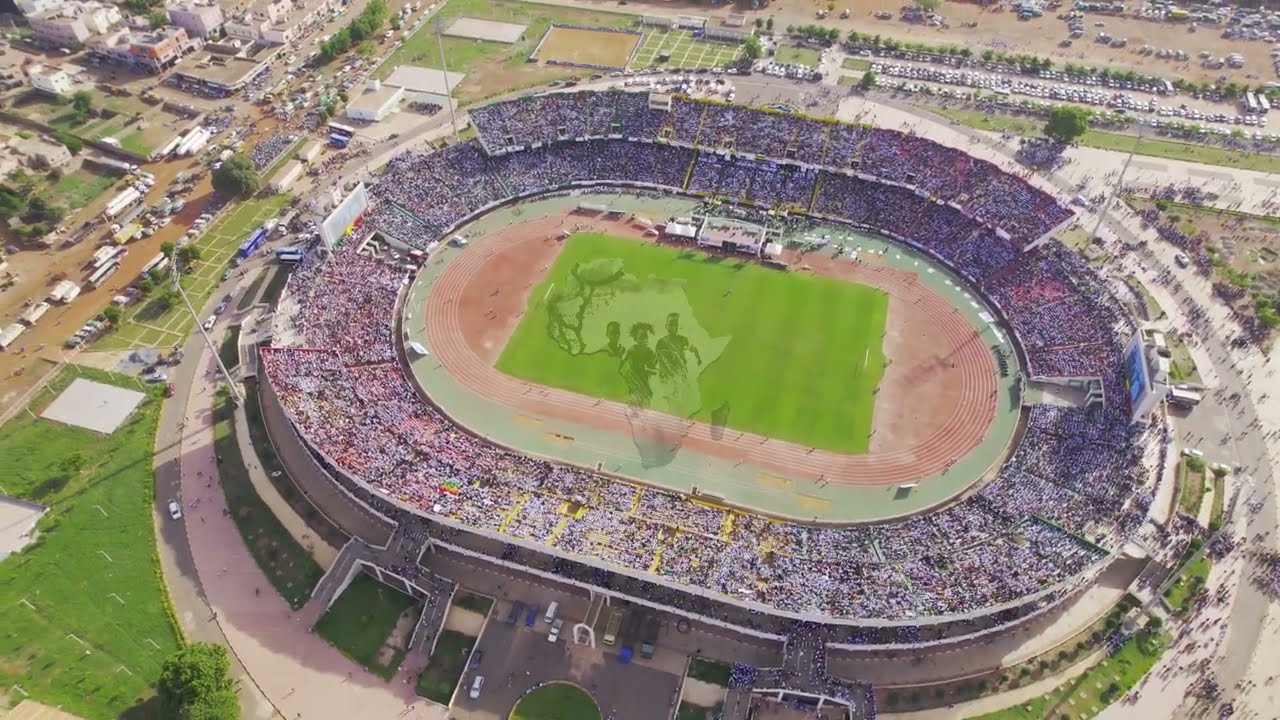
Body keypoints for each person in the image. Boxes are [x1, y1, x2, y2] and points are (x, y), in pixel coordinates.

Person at [619, 322, 656, 407]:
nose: (645, 338)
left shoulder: (650, 352)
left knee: (645, 410)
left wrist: (648, 369)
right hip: (633, 387)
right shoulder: (632, 350)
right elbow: (622, 366)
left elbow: (655, 370)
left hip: (645, 387)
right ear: (636, 338)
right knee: (633, 410)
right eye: (642, 336)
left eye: (646, 336)